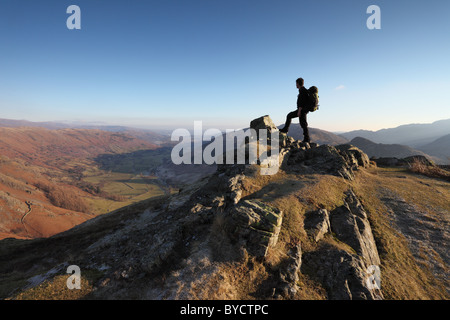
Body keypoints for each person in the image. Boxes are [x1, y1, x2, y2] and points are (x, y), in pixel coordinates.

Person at [279, 77, 310, 143]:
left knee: (303, 124)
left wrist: (299, 111)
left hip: (302, 110)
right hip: (303, 110)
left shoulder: (302, 91)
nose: (296, 85)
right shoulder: (304, 90)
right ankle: (285, 129)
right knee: (291, 116)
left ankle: (307, 139)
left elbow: (301, 103)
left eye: (296, 83)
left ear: (298, 83)